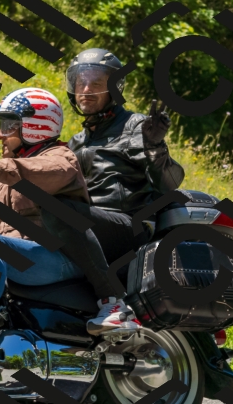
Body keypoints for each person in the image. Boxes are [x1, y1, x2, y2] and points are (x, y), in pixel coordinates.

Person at [0, 87, 140, 360]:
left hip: (60, 258)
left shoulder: (60, 159)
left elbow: (40, 172)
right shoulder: (6, 182)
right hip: (25, 258)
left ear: (35, 126)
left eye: (8, 126)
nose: (0, 134)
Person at [39, 48, 186, 336]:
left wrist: (155, 147)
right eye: (80, 82)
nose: (86, 90)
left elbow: (169, 183)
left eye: (96, 83)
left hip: (128, 226)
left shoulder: (136, 127)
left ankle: (113, 303)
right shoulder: (77, 141)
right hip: (91, 226)